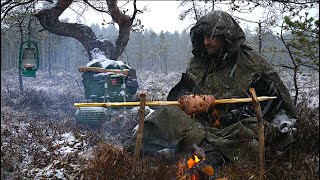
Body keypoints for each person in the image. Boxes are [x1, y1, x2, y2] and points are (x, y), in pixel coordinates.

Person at [126, 10, 297, 169]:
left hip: (235, 126)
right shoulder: (201, 61)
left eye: (212, 36)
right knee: (166, 114)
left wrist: (230, 117)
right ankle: (135, 155)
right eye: (204, 36)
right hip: (202, 123)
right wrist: (187, 99)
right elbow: (184, 88)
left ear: (226, 37)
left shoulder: (250, 63)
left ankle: (209, 158)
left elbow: (269, 103)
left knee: (247, 134)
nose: (206, 41)